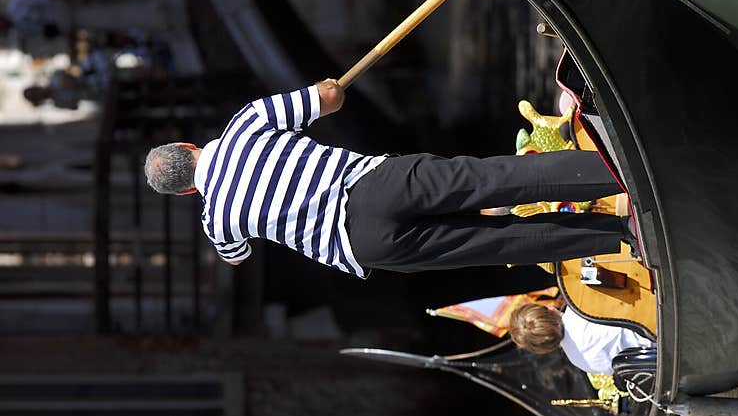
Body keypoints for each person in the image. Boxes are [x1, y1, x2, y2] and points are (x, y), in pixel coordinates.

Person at [143, 79, 638, 277]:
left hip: (365, 246)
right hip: (372, 183)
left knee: (496, 245)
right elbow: (328, 97)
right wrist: (329, 93)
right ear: (189, 146)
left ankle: (621, 235)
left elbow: (238, 257)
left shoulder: (218, 223)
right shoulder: (246, 122)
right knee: (494, 179)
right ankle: (616, 175)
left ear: (187, 190)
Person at [508, 302, 653, 376]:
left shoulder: (579, 362)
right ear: (549, 309)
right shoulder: (580, 305)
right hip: (658, 315)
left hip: (663, 354)